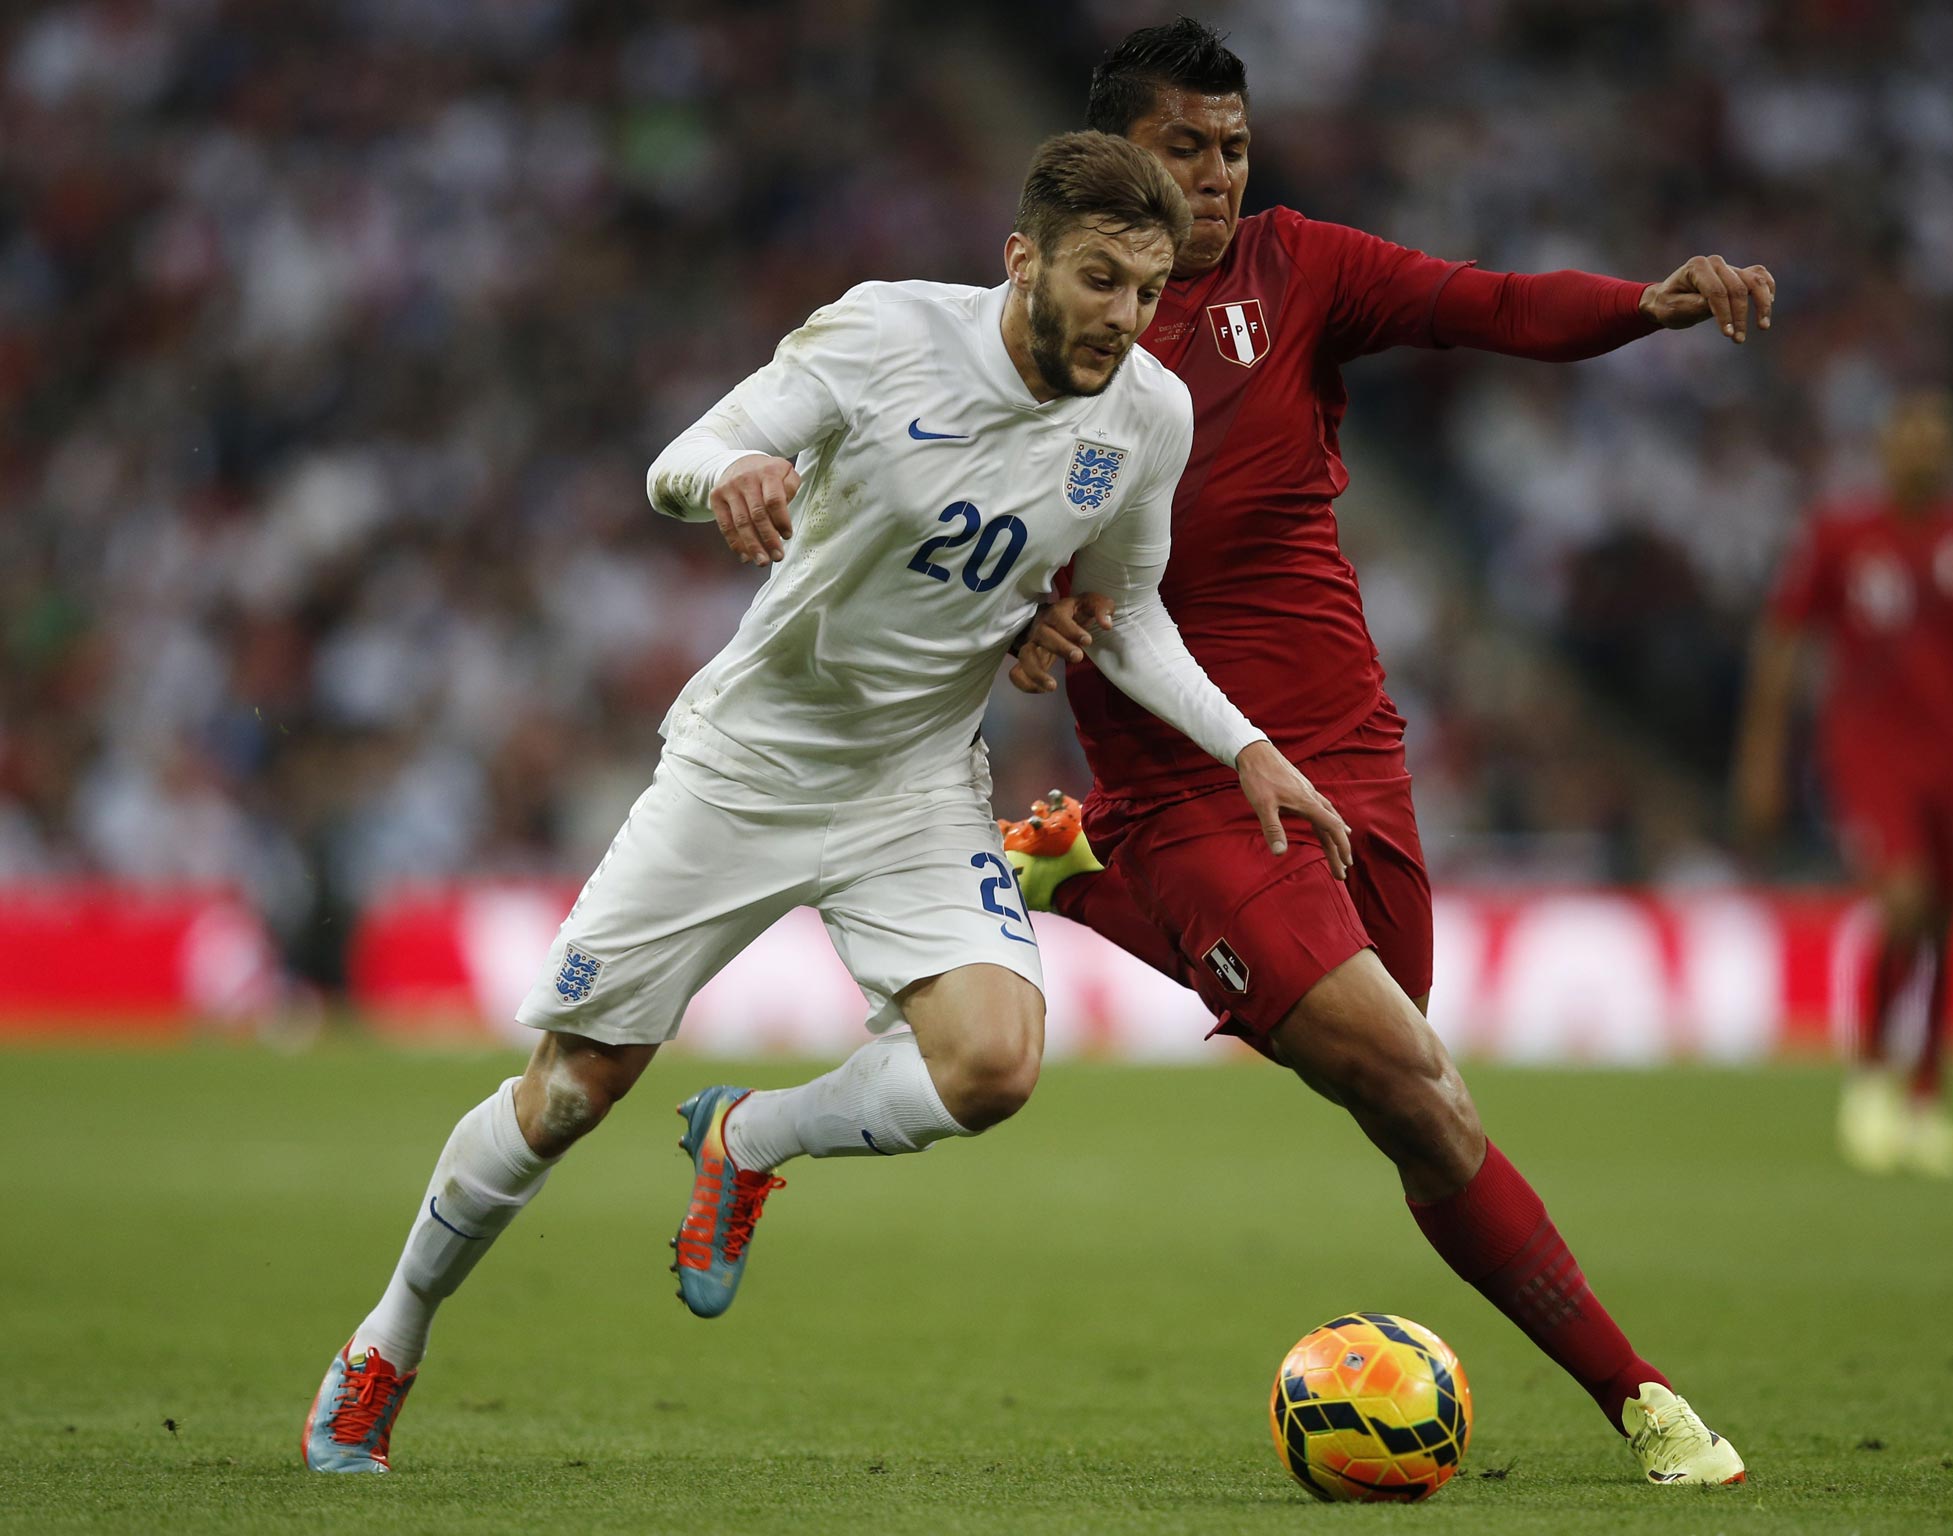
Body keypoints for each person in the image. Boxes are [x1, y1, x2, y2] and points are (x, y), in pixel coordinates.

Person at [301, 129, 1350, 1474]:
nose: (1124, 320)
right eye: (1099, 280)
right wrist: (729, 477)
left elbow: (1127, 608)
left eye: (1148, 292)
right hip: (750, 764)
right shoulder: (884, 336)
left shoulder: (1148, 412)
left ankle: (748, 1140)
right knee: (572, 1090)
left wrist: (1244, 743)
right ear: (1021, 257)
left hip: (914, 782)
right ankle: (389, 1339)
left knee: (995, 1065)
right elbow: (688, 455)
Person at [1000, 19, 1771, 1485]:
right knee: (1416, 1083)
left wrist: (1644, 306)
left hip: (1348, 748)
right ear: (1114, 165)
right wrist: (1013, 632)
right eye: (1186, 149)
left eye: (1233, 146)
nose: (1222, 175)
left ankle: (1081, 883)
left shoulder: (1302, 267)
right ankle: (1649, 1405)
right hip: (1187, 777)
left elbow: (1484, 304)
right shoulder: (1055, 326)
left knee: (1403, 1100)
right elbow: (957, 537)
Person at [1734, 389, 1953, 1177]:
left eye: (1939, 438)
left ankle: (1926, 1100)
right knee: (1904, 896)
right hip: (1868, 753)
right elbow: (1783, 641)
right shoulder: (1841, 534)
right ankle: (1872, 1076)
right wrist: (1764, 754)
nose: (1925, 451)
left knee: (1947, 922)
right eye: (1912, 435)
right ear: (1887, 446)